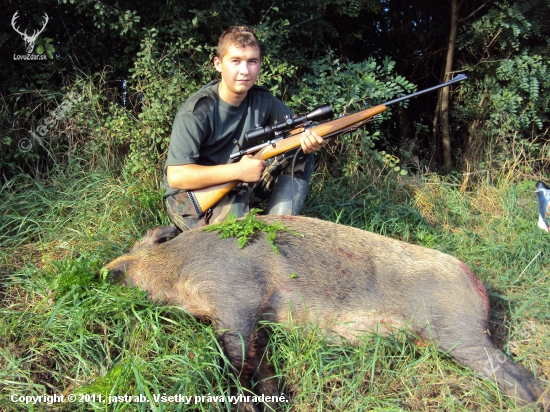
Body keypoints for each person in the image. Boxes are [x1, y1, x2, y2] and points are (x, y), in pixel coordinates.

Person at [163, 26, 324, 230]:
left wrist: (308, 140)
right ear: (218, 64)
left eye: (252, 61)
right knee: (237, 239)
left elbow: (298, 128)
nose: (245, 71)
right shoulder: (196, 112)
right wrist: (238, 170)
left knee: (299, 152)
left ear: (259, 64)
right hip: (189, 198)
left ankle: (277, 230)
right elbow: (177, 176)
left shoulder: (263, 100)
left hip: (239, 180)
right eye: (236, 61)